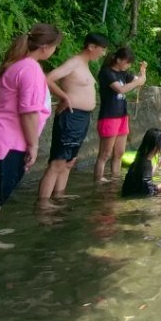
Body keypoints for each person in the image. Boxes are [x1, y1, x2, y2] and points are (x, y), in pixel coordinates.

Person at [0, 24, 63, 242]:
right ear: (45, 47)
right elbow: (29, 112)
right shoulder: (31, 69)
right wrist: (34, 146)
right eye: (55, 47)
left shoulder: (11, 65)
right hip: (3, 145)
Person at [36, 32, 109, 207]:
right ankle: (43, 203)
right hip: (70, 116)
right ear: (91, 47)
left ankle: (59, 196)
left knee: (69, 162)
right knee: (58, 162)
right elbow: (48, 79)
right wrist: (64, 97)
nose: (103, 53)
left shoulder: (85, 65)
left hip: (82, 118)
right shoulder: (74, 62)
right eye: (102, 49)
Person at [93, 46, 147, 184]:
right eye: (127, 62)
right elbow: (120, 89)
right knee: (105, 154)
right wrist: (137, 82)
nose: (128, 66)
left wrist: (143, 72)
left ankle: (115, 178)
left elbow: (140, 81)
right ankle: (98, 180)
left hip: (122, 116)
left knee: (119, 153)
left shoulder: (124, 73)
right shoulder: (107, 72)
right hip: (109, 116)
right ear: (118, 60)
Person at [121, 128, 161, 197]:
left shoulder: (140, 158)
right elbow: (149, 191)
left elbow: (144, 178)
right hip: (138, 196)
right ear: (156, 146)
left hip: (129, 192)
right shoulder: (145, 164)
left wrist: (158, 165)